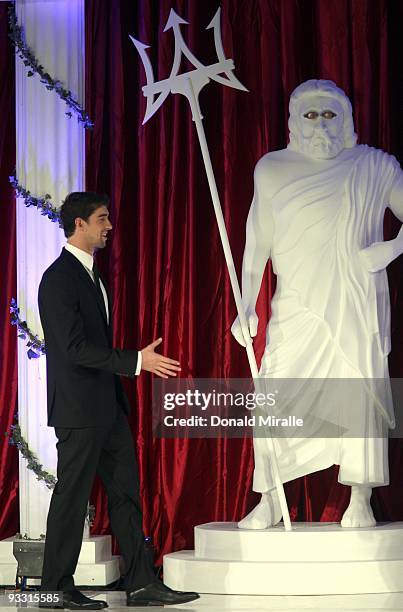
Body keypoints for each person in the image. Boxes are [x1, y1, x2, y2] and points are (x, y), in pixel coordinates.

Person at [232, 79, 403, 530]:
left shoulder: (375, 167)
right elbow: (257, 243)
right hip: (296, 306)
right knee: (275, 396)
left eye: (330, 114)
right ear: (294, 121)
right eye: (311, 115)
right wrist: (246, 304)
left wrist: (387, 250)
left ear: (346, 119)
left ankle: (360, 497)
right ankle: (270, 497)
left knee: (357, 392)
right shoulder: (271, 169)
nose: (320, 124)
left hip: (355, 300)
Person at [38, 192, 199, 608]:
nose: (109, 226)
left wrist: (130, 363)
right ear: (79, 224)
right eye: (102, 219)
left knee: (127, 494)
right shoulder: (58, 278)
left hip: (107, 409)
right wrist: (135, 361)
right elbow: (72, 349)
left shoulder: (93, 275)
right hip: (78, 411)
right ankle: (55, 589)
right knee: (72, 500)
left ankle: (142, 582)